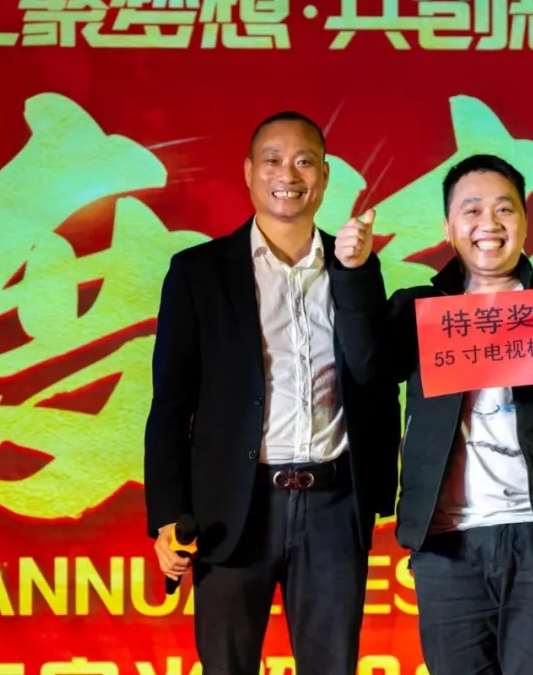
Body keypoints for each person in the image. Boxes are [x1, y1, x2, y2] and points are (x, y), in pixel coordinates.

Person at [331, 153, 533, 675]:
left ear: (524, 221)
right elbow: (369, 366)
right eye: (472, 210)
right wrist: (356, 272)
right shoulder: (421, 310)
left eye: (504, 209)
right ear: (448, 228)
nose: (489, 224)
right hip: (447, 542)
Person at [143, 111, 400, 675]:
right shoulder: (198, 272)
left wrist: (357, 273)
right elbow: (170, 404)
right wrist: (167, 514)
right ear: (248, 172)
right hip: (233, 509)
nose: (289, 174)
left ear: (325, 176)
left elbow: (375, 375)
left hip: (333, 505)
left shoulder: (354, 265)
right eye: (274, 161)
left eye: (305, 162)